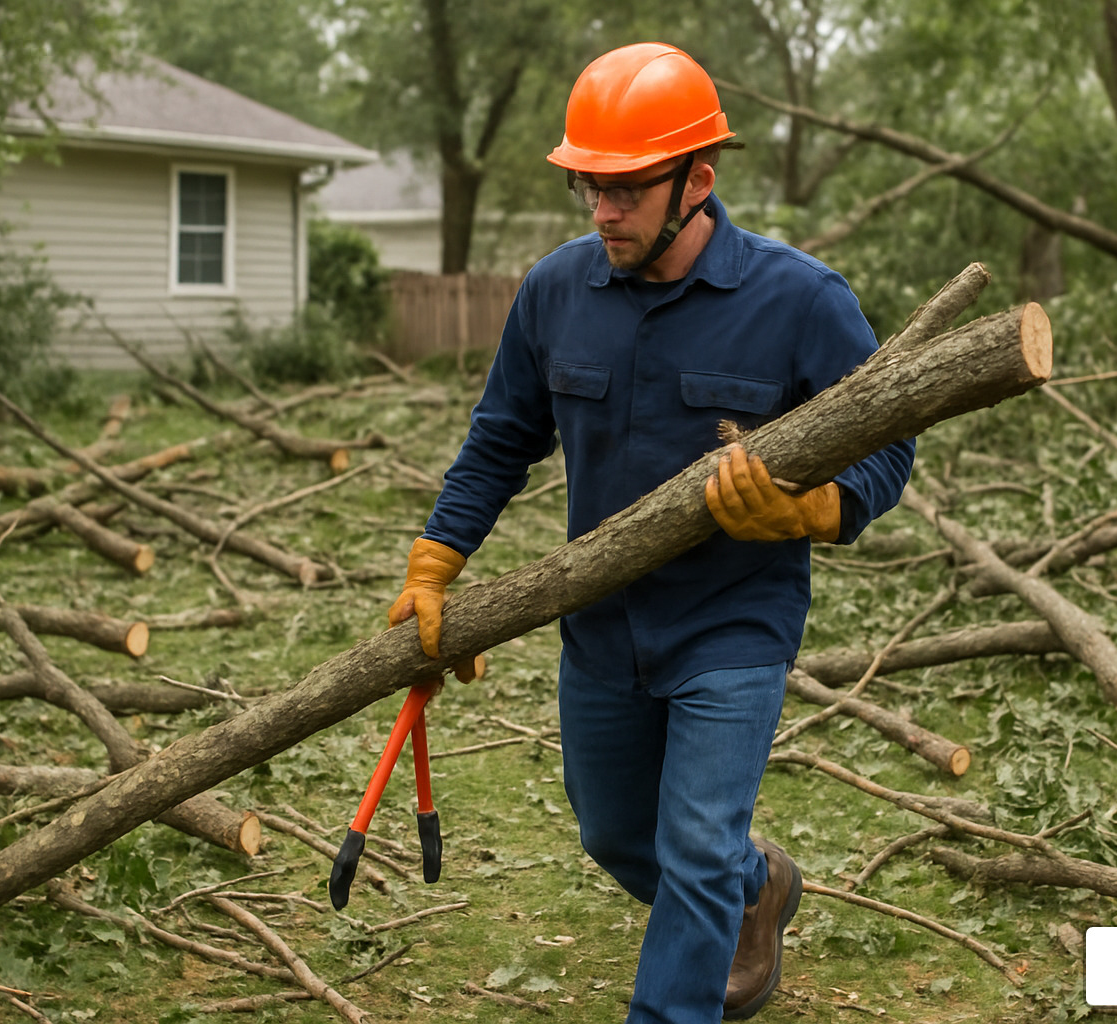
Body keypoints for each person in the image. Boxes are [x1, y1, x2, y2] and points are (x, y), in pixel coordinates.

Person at [386, 41, 916, 1024]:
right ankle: (759, 889)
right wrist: (435, 561)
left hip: (732, 624)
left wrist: (813, 510)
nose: (603, 210)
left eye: (626, 189)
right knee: (620, 838)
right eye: (591, 185)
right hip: (599, 626)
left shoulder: (801, 299)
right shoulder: (555, 292)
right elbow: (502, 437)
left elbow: (889, 448)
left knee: (697, 843)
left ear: (697, 180)